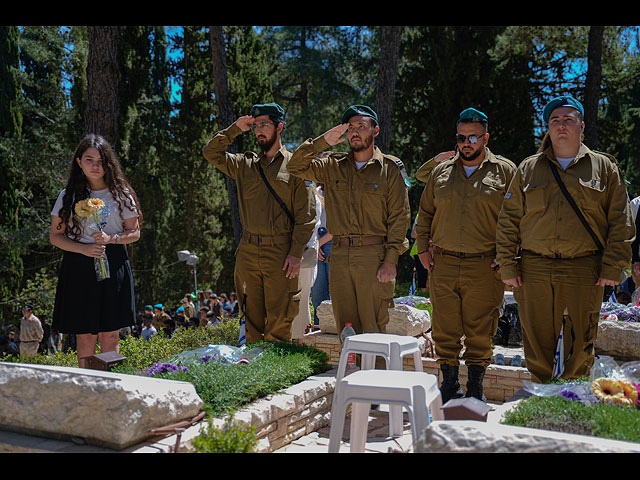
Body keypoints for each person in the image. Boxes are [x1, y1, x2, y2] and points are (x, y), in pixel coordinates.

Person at [496, 95, 635, 384]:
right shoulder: (529, 168)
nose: (561, 126)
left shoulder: (604, 168)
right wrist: (508, 266)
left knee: (582, 342)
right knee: (535, 340)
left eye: (568, 120)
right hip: (534, 267)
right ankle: (541, 396)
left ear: (581, 127)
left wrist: (613, 267)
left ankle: (572, 396)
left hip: (584, 268)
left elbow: (620, 221)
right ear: (547, 128)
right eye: (555, 120)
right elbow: (509, 220)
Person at [415, 108, 517, 402]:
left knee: (480, 332)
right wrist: (422, 249)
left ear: (485, 137)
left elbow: (518, 218)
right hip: (443, 263)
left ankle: (475, 389)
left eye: (473, 137)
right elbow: (425, 214)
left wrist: (509, 255)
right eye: (461, 138)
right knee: (444, 330)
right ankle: (449, 387)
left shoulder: (505, 171)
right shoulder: (441, 172)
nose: (466, 143)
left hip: (485, 266)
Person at [287, 105, 410, 340]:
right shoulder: (333, 166)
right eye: (350, 127)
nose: (355, 132)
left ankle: (375, 375)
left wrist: (391, 259)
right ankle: (352, 375)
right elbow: (295, 167)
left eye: (361, 127)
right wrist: (322, 142)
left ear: (375, 130)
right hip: (340, 256)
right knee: (347, 330)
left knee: (373, 327)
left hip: (373, 256)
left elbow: (399, 217)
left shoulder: (389, 169)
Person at [203, 102, 316, 343]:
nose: (258, 131)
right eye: (255, 126)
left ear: (280, 127)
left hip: (281, 252)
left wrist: (296, 253)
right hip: (248, 250)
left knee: (280, 319)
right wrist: (234, 130)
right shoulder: (245, 165)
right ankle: (254, 371)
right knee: (250, 318)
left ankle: (276, 375)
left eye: (265, 124)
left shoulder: (295, 166)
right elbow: (211, 153)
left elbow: (306, 217)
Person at [50, 134, 141, 369]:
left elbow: (135, 233)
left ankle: (110, 387)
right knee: (85, 334)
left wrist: (113, 238)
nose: (95, 166)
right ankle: (87, 386)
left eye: (100, 160)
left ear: (108, 164)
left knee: (110, 333)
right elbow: (55, 236)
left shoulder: (121, 195)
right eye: (89, 159)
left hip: (114, 262)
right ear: (79, 162)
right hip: (79, 265)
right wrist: (84, 249)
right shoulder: (67, 196)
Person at [291, 188, 322, 343]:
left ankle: (299, 341)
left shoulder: (311, 197)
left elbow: (311, 229)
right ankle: (298, 342)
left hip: (303, 254)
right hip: (305, 254)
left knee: (301, 299)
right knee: (301, 300)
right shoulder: (313, 196)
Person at [310, 184, 332, 329]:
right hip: (316, 242)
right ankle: (319, 332)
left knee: (336, 295)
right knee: (317, 293)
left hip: (333, 244)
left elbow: (342, 225)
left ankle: (334, 331)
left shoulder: (339, 189)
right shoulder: (315, 191)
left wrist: (319, 243)